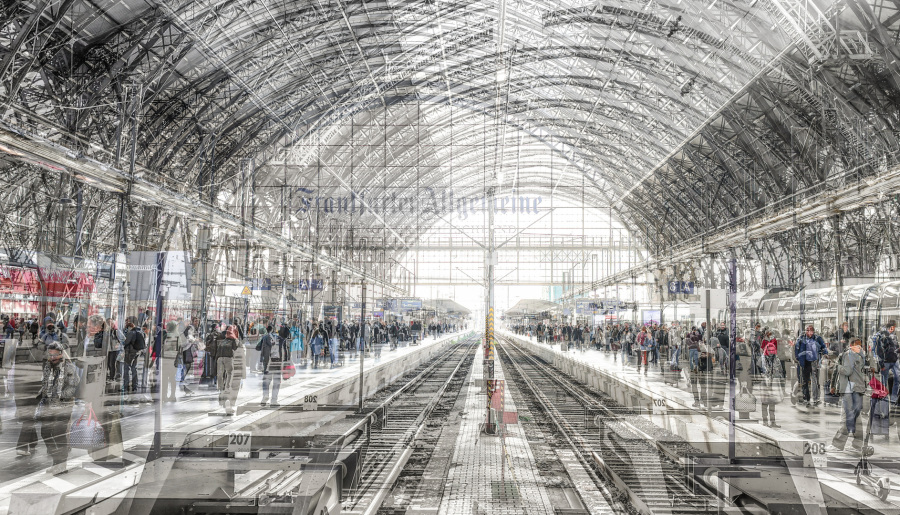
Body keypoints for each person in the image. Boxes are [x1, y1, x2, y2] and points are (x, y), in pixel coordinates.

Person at [36, 342, 79, 474]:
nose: (52, 357)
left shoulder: (69, 367)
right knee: (45, 433)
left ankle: (61, 464)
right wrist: (41, 394)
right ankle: (56, 461)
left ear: (61, 354)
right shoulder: (47, 366)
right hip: (48, 405)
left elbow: (73, 386)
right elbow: (45, 383)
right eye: (50, 354)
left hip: (63, 406)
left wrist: (60, 396)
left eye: (55, 354)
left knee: (58, 434)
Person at [829, 338, 877, 454]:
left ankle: (838, 444)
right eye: (857, 345)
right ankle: (857, 445)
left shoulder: (849, 354)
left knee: (846, 416)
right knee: (856, 417)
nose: (859, 347)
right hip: (858, 388)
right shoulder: (862, 355)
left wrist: (837, 366)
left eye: (859, 346)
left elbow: (847, 371)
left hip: (849, 389)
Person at [795, 324, 826, 407]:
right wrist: (798, 358)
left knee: (815, 380)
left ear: (813, 331)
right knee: (805, 381)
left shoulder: (817, 338)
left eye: (811, 330)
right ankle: (806, 399)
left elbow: (823, 346)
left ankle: (816, 398)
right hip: (805, 362)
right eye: (807, 330)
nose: (809, 332)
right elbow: (797, 348)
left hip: (815, 361)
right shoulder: (801, 338)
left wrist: (825, 353)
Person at [874, 320, 900, 404]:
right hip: (885, 361)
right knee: (884, 380)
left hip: (894, 360)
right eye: (893, 327)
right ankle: (883, 397)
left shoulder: (894, 336)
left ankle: (893, 398)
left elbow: (896, 347)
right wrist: (881, 364)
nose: (894, 329)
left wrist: (897, 352)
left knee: (898, 378)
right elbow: (879, 351)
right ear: (890, 327)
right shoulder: (882, 336)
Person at [217, 326, 240, 415]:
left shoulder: (222, 341)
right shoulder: (233, 340)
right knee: (230, 373)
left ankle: (221, 387)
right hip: (228, 358)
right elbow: (235, 348)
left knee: (220, 373)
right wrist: (236, 340)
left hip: (220, 358)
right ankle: (227, 386)